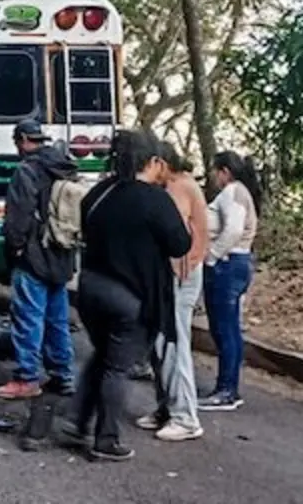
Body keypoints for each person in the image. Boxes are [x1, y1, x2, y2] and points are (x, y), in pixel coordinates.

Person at [72, 130, 191, 461]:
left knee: (104, 356)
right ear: (152, 162)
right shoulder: (154, 199)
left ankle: (76, 421)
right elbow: (180, 244)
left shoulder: (97, 193)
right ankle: (105, 439)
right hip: (130, 296)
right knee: (117, 367)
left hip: (90, 288)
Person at [0, 118, 79, 400]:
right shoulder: (66, 167)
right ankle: (62, 374)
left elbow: (18, 217)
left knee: (28, 317)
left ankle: (26, 377)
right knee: (57, 317)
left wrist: (16, 248)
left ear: (21, 140)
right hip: (61, 252)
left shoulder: (27, 170)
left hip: (33, 255)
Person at [137, 143, 209, 442]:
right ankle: (167, 407)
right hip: (172, 274)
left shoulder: (180, 187)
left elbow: (179, 234)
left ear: (161, 163)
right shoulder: (175, 186)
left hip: (182, 273)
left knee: (174, 344)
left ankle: (185, 416)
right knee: (159, 344)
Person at [199, 149, 262, 412]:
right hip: (237, 263)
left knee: (223, 329)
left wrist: (212, 256)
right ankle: (229, 385)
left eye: (214, 172)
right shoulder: (241, 193)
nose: (212, 177)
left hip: (228, 264)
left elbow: (233, 229)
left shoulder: (231, 193)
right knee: (230, 328)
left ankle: (226, 389)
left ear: (223, 171)